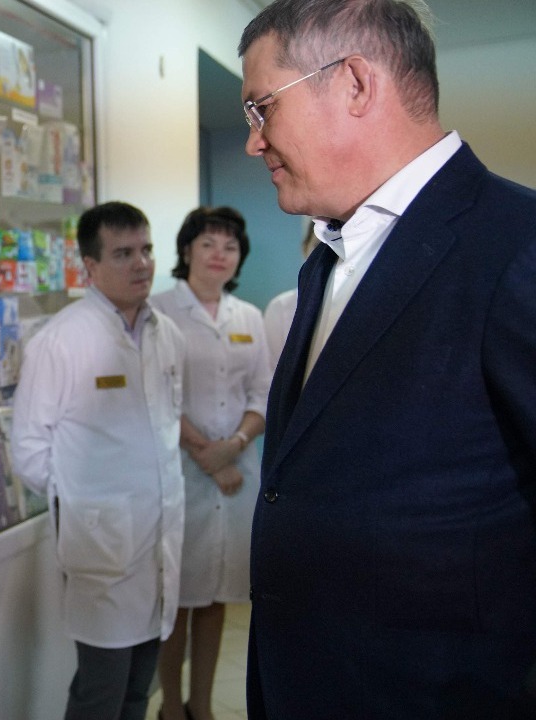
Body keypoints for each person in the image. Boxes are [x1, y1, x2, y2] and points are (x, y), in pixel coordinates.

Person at [239, 1, 536, 718]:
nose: (254, 142)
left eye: (262, 107)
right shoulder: (329, 258)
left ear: (354, 84)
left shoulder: (516, 244)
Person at [12, 201, 186, 720]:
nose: (142, 263)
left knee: (139, 690)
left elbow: (166, 428)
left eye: (147, 250)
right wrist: (85, 503)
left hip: (159, 540)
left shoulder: (167, 334)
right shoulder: (61, 340)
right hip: (101, 549)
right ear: (90, 266)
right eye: (123, 253)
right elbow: (29, 450)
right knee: (101, 694)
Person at [150, 207, 271, 720]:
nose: (220, 254)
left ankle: (202, 705)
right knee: (178, 597)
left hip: (237, 473)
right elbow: (157, 392)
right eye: (208, 244)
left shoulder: (248, 317)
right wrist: (208, 454)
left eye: (230, 246)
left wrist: (236, 443)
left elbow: (263, 391)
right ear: (187, 251)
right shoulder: (159, 311)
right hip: (182, 471)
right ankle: (171, 706)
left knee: (219, 593)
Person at [261, 227, 319, 370]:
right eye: (319, 246)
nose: (328, 254)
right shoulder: (281, 306)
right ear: (305, 248)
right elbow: (272, 371)